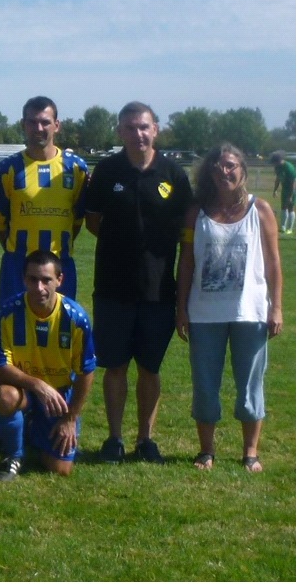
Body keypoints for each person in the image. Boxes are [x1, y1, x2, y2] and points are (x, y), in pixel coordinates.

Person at [84, 101, 192, 464]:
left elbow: (185, 228)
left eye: (144, 127)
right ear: (120, 132)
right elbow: (93, 221)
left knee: (150, 368)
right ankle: (114, 439)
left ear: (155, 129)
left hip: (158, 290)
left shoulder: (173, 174)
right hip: (113, 288)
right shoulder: (107, 171)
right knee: (114, 367)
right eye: (130, 127)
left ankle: (146, 439)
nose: (138, 133)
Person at [176, 144, 283, 473]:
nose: (224, 171)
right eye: (218, 167)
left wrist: (276, 308)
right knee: (205, 385)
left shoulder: (260, 209)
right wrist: (181, 309)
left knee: (250, 386)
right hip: (205, 315)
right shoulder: (196, 212)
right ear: (209, 173)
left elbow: (274, 264)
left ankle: (250, 452)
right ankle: (206, 451)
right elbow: (187, 264)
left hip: (249, 314)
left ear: (243, 171)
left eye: (231, 166)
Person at [0, 250, 96, 480]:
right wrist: (37, 385)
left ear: (59, 280)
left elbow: (86, 372)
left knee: (60, 469)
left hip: (58, 398)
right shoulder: (9, 312)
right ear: (24, 279)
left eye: (46, 280)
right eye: (33, 279)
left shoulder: (76, 318)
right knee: (4, 394)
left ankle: (31, 436)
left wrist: (70, 418)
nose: (39, 288)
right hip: (25, 391)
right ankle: (15, 455)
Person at [0, 96, 88, 306]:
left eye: (45, 122)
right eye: (33, 122)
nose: (39, 127)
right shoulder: (9, 168)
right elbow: (0, 221)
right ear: (23, 125)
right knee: (13, 328)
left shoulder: (77, 169)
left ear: (57, 125)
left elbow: (77, 218)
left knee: (60, 330)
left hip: (60, 264)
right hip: (17, 265)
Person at [269, 151, 295, 235]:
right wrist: (275, 190)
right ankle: (283, 227)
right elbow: (278, 179)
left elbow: (293, 183)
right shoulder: (277, 167)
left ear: (278, 160)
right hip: (285, 188)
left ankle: (290, 228)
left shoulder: (289, 167)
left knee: (290, 207)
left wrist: (291, 196)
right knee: (283, 207)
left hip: (293, 189)